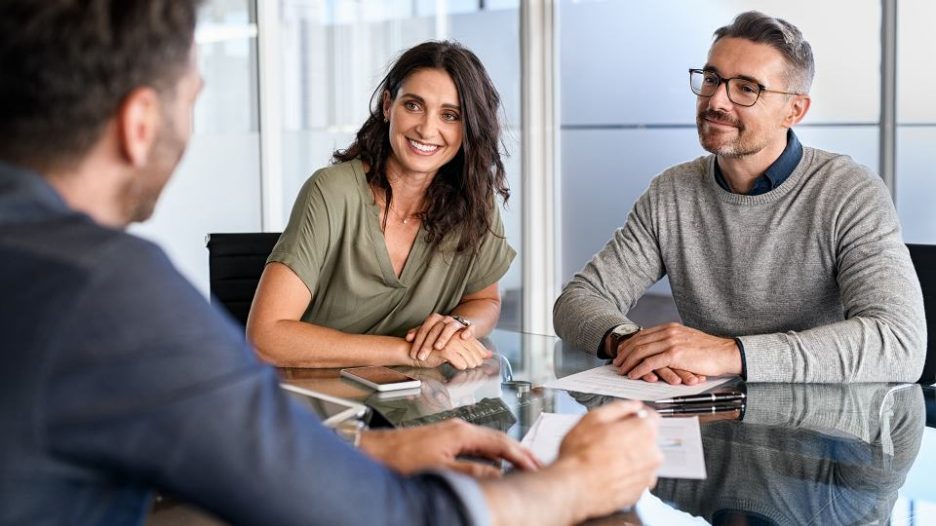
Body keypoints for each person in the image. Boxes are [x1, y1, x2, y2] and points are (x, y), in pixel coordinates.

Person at [0, 1, 663, 525]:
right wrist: (573, 482)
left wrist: (375, 446)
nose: (429, 126)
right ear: (139, 122)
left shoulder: (49, 269)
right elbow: (387, 515)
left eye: (451, 116)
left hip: (348, 434)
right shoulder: (108, 294)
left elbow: (218, 450)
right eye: (195, 96)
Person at [553, 11, 926, 384]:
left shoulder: (848, 192)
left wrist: (729, 352)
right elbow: (578, 300)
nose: (717, 101)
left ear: (794, 110)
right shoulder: (671, 192)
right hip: (705, 417)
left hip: (825, 429)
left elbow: (898, 342)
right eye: (712, 78)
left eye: (747, 88)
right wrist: (630, 342)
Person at [247, 41, 514, 370]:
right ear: (388, 105)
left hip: (413, 404)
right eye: (414, 106)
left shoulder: (475, 201)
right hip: (316, 401)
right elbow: (266, 337)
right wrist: (407, 353)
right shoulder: (332, 191)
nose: (427, 129)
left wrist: (458, 326)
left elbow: (484, 300)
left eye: (450, 115)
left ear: (469, 126)